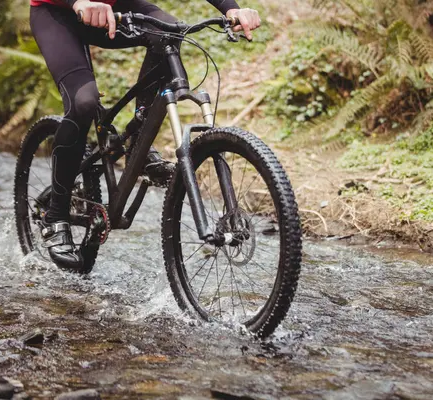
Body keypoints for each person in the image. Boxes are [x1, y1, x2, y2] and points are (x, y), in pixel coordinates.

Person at [30, 0, 261, 271]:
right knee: (84, 102)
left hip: (115, 11)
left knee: (169, 34)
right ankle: (55, 216)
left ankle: (137, 146)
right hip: (57, 13)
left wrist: (231, 9)